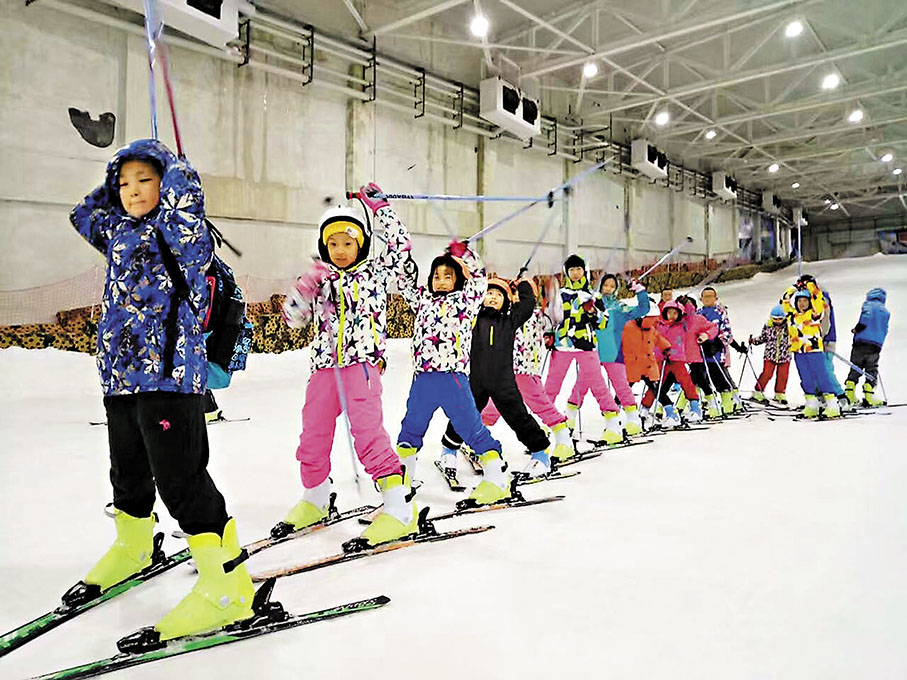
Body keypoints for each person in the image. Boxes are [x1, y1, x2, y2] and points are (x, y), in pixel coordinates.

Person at [67, 139, 253, 645]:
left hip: (170, 374)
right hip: (122, 374)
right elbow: (82, 214)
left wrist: (176, 174)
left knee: (180, 478)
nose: (132, 192)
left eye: (144, 181)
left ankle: (226, 585)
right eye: (123, 183)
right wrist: (117, 178)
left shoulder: (184, 235)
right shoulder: (120, 231)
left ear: (166, 185)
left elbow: (187, 211)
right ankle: (133, 547)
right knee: (127, 468)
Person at [280, 185, 417, 546]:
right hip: (325, 367)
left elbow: (401, 254)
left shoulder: (373, 274)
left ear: (361, 245)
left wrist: (382, 209)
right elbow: (293, 319)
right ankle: (316, 498)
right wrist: (304, 290)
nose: (341, 250)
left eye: (349, 242)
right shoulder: (320, 279)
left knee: (368, 435)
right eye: (334, 243)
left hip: (362, 365)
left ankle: (398, 506)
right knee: (312, 435)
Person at [394, 241, 508, 490]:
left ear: (458, 280)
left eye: (448, 276)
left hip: (452, 379)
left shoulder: (466, 303)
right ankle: (403, 480)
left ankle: (496, 478)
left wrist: (464, 254)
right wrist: (406, 261)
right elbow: (404, 285)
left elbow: (479, 276)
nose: (442, 281)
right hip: (423, 379)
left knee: (470, 428)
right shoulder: (423, 301)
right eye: (437, 276)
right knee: (411, 427)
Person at [441, 277, 552, 495]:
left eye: (498, 295)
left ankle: (540, 453)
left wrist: (523, 285)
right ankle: (449, 449)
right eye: (489, 293)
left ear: (506, 301)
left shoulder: (509, 320)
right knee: (462, 414)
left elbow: (527, 306)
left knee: (518, 416)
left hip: (503, 382)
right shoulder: (472, 317)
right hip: (476, 381)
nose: (492, 297)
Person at [481, 278, 574, 464]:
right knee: (492, 406)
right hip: (504, 371)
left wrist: (552, 290)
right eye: (513, 292)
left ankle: (565, 441)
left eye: (522, 293)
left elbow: (557, 314)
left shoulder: (538, 315)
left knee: (540, 404)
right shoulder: (504, 314)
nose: (516, 297)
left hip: (526, 371)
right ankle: (477, 439)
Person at [544, 254, 623, 444]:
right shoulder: (560, 294)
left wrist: (593, 311)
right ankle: (544, 425)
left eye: (578, 269)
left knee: (597, 384)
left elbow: (603, 323)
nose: (575, 273)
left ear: (584, 271)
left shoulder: (593, 296)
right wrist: (548, 334)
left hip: (586, 345)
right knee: (551, 386)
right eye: (571, 270)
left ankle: (612, 423)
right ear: (566, 273)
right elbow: (550, 317)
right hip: (562, 346)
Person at [569, 274, 649, 436]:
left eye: (612, 286)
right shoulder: (591, 305)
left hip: (613, 351)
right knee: (581, 384)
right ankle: (569, 419)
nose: (608, 289)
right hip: (591, 351)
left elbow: (643, 309)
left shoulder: (619, 307)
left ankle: (633, 419)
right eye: (606, 285)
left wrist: (640, 292)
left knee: (620, 384)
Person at [647, 300, 717, 428]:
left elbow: (692, 316)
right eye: (670, 313)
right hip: (662, 359)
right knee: (656, 385)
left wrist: (686, 303)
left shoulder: (683, 324)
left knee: (688, 382)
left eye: (675, 313)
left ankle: (696, 408)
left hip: (678, 358)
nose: (672, 316)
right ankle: (647, 410)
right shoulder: (659, 324)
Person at [780, 279, 840, 418]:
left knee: (821, 375)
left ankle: (832, 403)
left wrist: (810, 285)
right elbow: (784, 300)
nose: (802, 304)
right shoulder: (792, 315)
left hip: (813, 350)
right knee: (805, 377)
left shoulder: (814, 314)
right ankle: (811, 403)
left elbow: (819, 299)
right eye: (800, 301)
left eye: (805, 301)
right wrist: (794, 288)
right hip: (798, 351)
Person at [696, 287, 748, 416]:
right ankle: (700, 404)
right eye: (705, 297)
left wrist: (718, 344)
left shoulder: (720, 313)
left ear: (716, 298)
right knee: (698, 378)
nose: (708, 299)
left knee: (718, 377)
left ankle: (728, 404)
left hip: (716, 352)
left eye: (710, 296)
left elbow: (727, 332)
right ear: (701, 299)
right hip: (700, 352)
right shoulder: (698, 313)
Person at [622, 304, 672, 429]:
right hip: (633, 364)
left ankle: (672, 413)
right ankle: (615, 411)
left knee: (656, 389)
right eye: (650, 321)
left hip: (648, 364)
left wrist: (666, 347)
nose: (652, 324)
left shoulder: (651, 329)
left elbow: (658, 338)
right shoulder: (628, 327)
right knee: (624, 388)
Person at [845, 287, 890, 406]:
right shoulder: (885, 311)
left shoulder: (868, 305)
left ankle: (850, 393)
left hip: (860, 341)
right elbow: (885, 329)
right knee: (871, 368)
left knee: (855, 367)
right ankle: (869, 395)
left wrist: (857, 329)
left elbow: (865, 318)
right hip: (875, 345)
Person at [748, 305, 792, 403]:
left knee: (783, 376)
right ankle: (758, 391)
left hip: (784, 356)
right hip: (770, 355)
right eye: (775, 319)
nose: (777, 321)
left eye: (780, 319)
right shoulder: (768, 326)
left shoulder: (788, 327)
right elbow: (763, 338)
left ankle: (780, 393)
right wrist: (754, 341)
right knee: (767, 374)